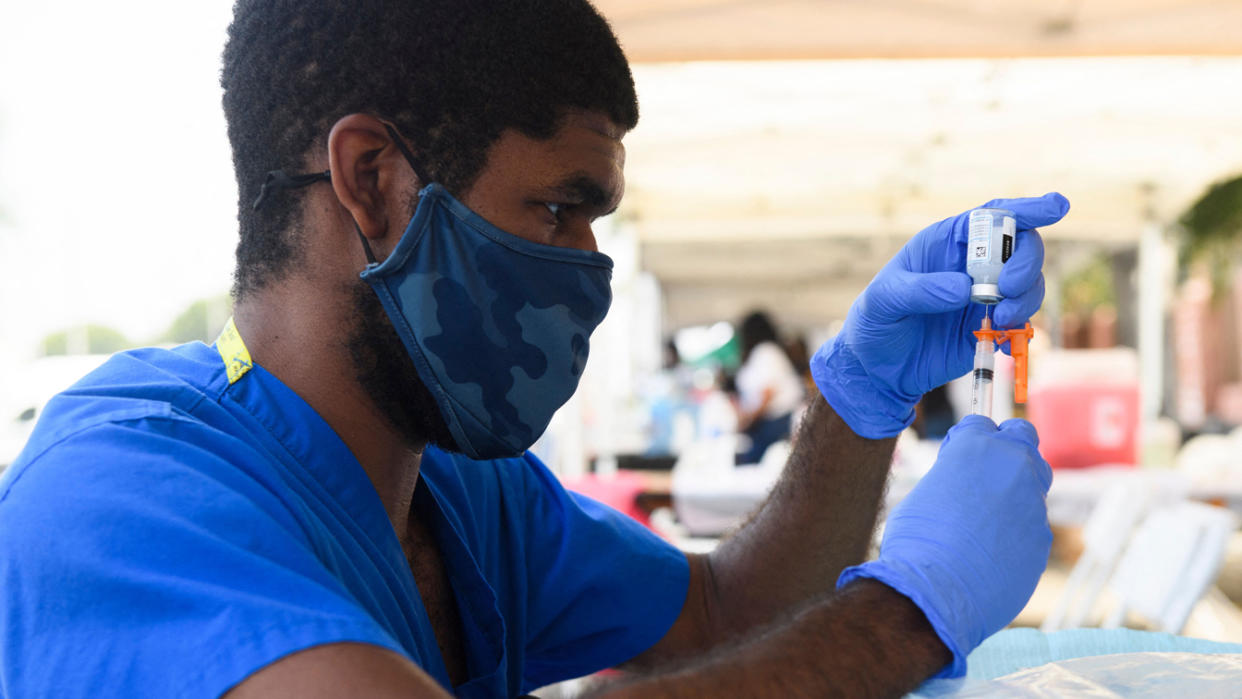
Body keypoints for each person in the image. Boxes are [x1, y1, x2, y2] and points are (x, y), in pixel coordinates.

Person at [0, 2, 1069, 697]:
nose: (589, 272)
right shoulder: (120, 491)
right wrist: (905, 618)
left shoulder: (471, 494)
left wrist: (859, 393)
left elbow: (727, 615)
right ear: (373, 180)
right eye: (559, 208)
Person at [733, 310, 805, 464]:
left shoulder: (766, 351)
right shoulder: (764, 353)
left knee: (749, 460)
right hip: (771, 420)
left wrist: (749, 419)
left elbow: (767, 392)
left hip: (778, 420)